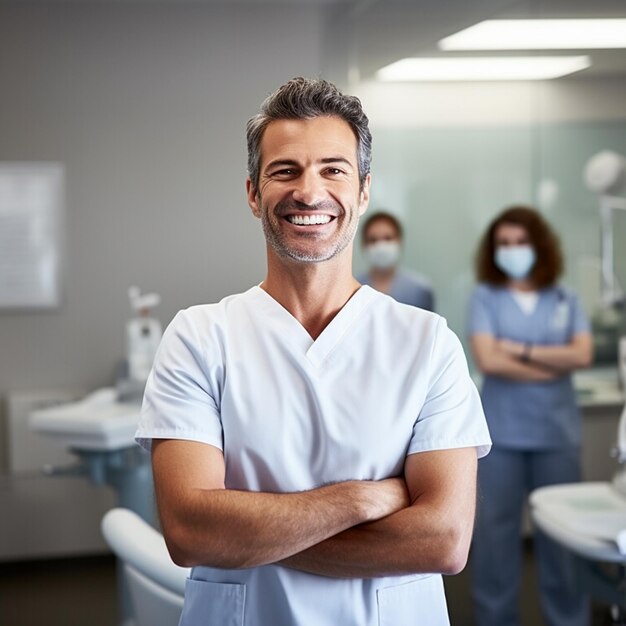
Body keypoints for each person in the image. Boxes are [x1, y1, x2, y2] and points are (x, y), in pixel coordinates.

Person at [135, 77, 491, 626]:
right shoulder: (199, 338)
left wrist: (248, 532)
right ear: (253, 193)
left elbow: (443, 539)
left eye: (333, 169)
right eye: (285, 171)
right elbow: (189, 532)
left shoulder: (428, 343)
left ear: (363, 190)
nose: (309, 191)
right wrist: (360, 500)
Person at [468, 205, 593, 626]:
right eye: (504, 243)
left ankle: (568, 618)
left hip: (556, 434)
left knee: (562, 537)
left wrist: (518, 350)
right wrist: (552, 365)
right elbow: (488, 359)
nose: (513, 250)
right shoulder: (485, 296)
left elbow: (583, 354)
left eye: (520, 242)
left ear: (539, 245)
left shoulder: (565, 296)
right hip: (500, 435)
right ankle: (494, 618)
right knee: (494, 540)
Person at [357, 211, 435, 311]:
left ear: (399, 241)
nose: (381, 246)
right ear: (364, 245)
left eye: (388, 238)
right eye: (373, 240)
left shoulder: (419, 289)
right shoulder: (354, 290)